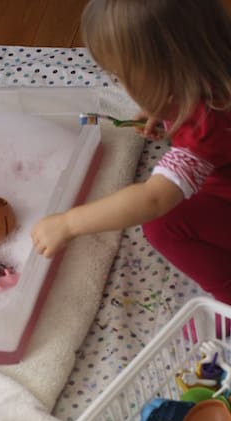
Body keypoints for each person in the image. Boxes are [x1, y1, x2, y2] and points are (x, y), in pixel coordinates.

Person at [31, 0, 231, 305]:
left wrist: (69, 223)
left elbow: (153, 199)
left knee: (163, 226)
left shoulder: (204, 122)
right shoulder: (212, 68)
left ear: (165, 74)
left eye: (119, 77)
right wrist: (165, 110)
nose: (120, 85)